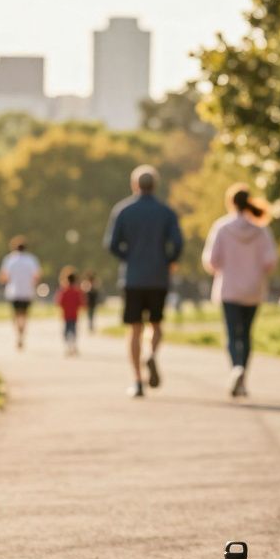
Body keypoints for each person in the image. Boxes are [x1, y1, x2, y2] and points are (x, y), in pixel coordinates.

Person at [104, 164, 183, 397]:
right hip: (158, 277)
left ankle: (137, 379)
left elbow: (111, 244)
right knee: (156, 324)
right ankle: (152, 354)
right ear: (155, 185)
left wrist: (128, 257)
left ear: (134, 185)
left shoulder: (123, 211)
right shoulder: (166, 212)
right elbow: (177, 243)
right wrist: (168, 260)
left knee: (134, 329)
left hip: (133, 277)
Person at [202, 184, 279, 398]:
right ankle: (243, 377)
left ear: (230, 203)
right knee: (245, 334)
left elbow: (211, 261)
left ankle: (236, 367)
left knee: (231, 332)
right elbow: (271, 261)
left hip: (229, 289)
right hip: (253, 290)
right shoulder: (261, 229)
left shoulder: (222, 227)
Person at [0, 236, 41, 350]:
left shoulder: (9, 260)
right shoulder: (31, 260)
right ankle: (22, 333)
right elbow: (37, 276)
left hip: (14, 292)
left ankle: (18, 334)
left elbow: (3, 277)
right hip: (27, 292)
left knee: (16, 315)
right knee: (24, 315)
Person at [55, 266, 84, 356]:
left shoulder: (63, 291)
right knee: (74, 331)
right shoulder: (77, 291)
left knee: (66, 332)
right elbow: (81, 303)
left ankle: (68, 347)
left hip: (66, 315)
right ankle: (73, 345)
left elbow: (59, 302)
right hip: (74, 315)